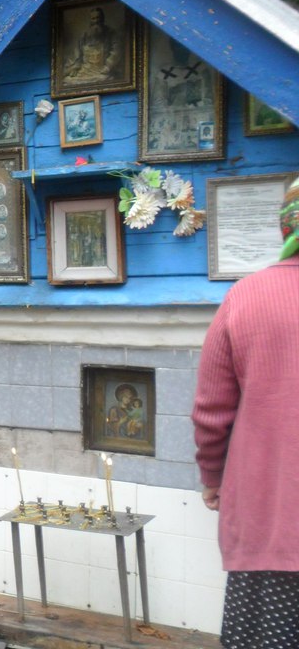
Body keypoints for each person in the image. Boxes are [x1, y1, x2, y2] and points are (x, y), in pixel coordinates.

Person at [192, 177, 299, 649]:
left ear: (285, 229)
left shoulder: (246, 297)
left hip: (268, 521)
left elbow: (211, 412)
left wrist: (213, 477)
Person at [65, 6, 121, 83]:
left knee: (103, 80)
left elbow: (116, 52)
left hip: (103, 70)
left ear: (102, 19)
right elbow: (78, 54)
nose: (96, 21)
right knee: (68, 81)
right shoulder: (84, 35)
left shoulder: (111, 33)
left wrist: (108, 67)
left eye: (98, 18)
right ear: (90, 20)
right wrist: (75, 67)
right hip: (85, 70)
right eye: (93, 18)